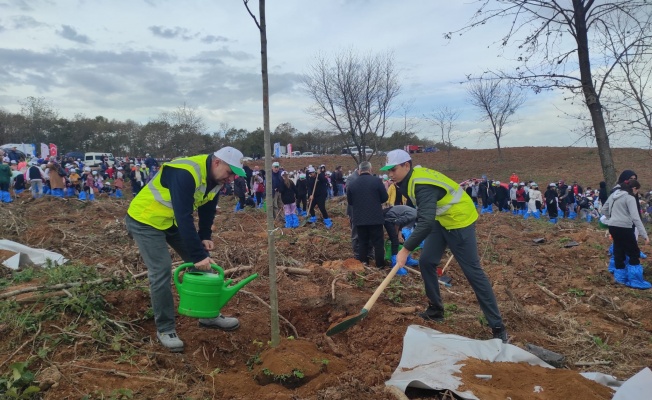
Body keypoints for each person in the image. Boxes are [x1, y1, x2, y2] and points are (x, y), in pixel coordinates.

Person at [125, 147, 247, 352]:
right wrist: (198, 255)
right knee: (161, 270)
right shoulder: (185, 172)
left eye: (235, 174)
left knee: (205, 264)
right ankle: (165, 328)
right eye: (230, 172)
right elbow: (184, 216)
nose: (231, 177)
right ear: (217, 163)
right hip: (145, 219)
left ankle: (207, 314)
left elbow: (207, 207)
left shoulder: (216, 180)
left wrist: (206, 236)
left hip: (169, 220)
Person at [381, 149, 507, 342]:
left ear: (407, 165)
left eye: (393, 169)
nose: (390, 174)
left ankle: (497, 326)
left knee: (473, 272)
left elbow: (425, 222)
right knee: (427, 262)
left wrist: (405, 250)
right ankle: (436, 309)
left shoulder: (421, 184)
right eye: (388, 170)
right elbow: (425, 216)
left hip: (459, 221)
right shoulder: (408, 181)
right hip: (441, 220)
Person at [601, 179, 651, 289]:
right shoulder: (630, 198)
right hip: (625, 227)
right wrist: (644, 235)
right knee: (633, 252)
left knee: (618, 250)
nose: (637, 192)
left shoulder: (614, 194)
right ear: (633, 189)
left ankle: (620, 277)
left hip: (613, 227)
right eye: (637, 190)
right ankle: (635, 280)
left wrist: (613, 218)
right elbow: (635, 218)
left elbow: (604, 210)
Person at [347, 161, 388, 268]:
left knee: (362, 242)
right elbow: (384, 198)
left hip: (360, 219)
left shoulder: (352, 184)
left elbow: (350, 202)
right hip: (375, 218)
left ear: (359, 170)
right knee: (378, 243)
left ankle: (364, 264)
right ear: (370, 170)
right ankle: (380, 265)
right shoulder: (377, 181)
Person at [383, 205, 417, 275]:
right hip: (389, 218)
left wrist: (399, 235)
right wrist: (396, 234)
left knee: (402, 240)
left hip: (394, 219)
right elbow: (397, 222)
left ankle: (407, 259)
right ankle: (395, 265)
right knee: (395, 242)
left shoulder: (414, 214)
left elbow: (401, 222)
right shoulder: (413, 215)